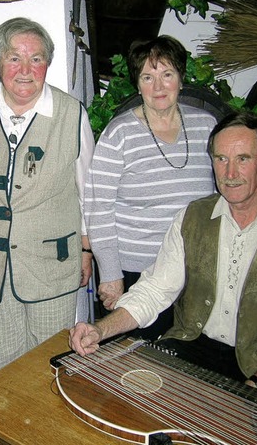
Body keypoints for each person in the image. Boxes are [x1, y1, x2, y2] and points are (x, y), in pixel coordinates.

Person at [70, 112, 257, 406]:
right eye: (220, 159)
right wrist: (100, 330)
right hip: (191, 346)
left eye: (242, 159)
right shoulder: (192, 218)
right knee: (126, 408)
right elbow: (154, 291)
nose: (230, 173)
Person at [0, 17, 95, 372]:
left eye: (36, 58)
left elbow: (89, 192)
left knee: (53, 364)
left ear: (47, 64)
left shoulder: (71, 114)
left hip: (53, 264)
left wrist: (86, 248)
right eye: (14, 58)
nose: (25, 69)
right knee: (5, 365)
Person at [85, 36, 217, 339]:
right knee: (136, 365)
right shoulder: (119, 134)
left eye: (166, 74)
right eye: (148, 77)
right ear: (138, 83)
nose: (158, 87)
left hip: (194, 271)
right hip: (137, 274)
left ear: (181, 79)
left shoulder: (207, 126)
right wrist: (110, 275)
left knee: (189, 360)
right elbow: (98, 207)